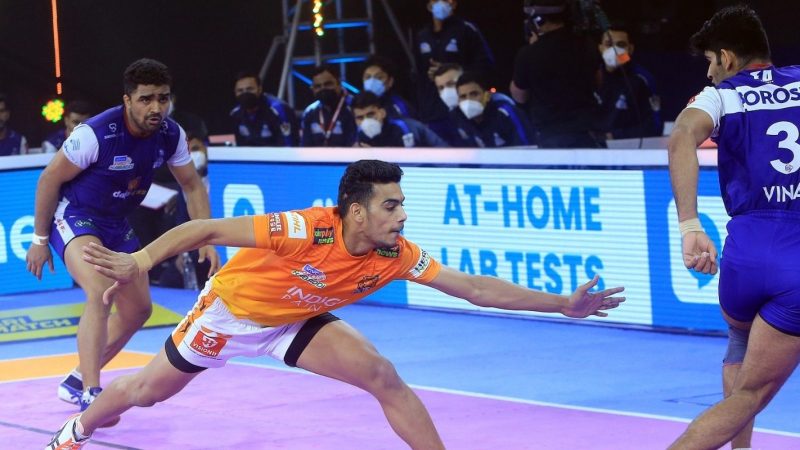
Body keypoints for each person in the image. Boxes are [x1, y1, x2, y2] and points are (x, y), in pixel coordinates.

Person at [45, 159, 626, 449]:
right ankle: (76, 429)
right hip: (229, 315)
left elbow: (473, 288)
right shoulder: (305, 228)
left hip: (294, 319)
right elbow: (204, 229)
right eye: (391, 206)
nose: (402, 215)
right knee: (144, 393)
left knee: (381, 375)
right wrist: (141, 261)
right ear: (356, 211)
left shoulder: (396, 253)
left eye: (402, 204)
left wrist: (560, 304)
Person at [25, 58, 221, 415]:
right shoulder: (96, 133)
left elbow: (192, 185)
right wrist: (39, 240)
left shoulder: (171, 134)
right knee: (100, 291)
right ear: (127, 100)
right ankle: (91, 391)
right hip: (75, 216)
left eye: (163, 98)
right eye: (146, 99)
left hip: (116, 222)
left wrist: (206, 236)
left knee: (138, 310)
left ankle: (75, 380)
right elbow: (49, 179)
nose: (156, 107)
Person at [667, 6, 800, 449]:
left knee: (741, 349)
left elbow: (681, 136)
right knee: (751, 396)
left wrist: (690, 225)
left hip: (746, 254)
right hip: (796, 257)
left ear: (726, 57)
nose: (709, 72)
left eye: (710, 60)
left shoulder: (721, 96)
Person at [510, 0, 604, 148]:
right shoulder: (586, 44)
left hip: (552, 135)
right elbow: (598, 81)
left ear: (538, 20)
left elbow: (519, 96)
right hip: (589, 131)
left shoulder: (528, 54)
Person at [414, 0, 494, 141]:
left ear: (454, 4)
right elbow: (418, 73)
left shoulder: (466, 30)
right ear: (429, 5)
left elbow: (486, 66)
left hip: (464, 107)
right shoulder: (422, 35)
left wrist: (453, 72)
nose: (441, 3)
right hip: (433, 111)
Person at [595, 25, 663, 140]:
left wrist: (614, 136)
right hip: (589, 146)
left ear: (630, 49)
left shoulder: (643, 79)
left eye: (621, 45)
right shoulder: (590, 77)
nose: (614, 50)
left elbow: (654, 126)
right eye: (609, 45)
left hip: (626, 146)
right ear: (601, 48)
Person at [451, 72, 535, 147]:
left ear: (487, 96)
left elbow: (528, 149)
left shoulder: (506, 113)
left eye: (474, 94)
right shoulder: (457, 118)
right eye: (463, 97)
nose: (469, 100)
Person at [352, 92, 447, 148]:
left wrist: (377, 156)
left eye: (370, 115)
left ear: (382, 113)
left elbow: (411, 162)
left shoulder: (406, 128)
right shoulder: (360, 137)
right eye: (360, 118)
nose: (366, 121)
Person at [230, 70, 299, 147]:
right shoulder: (235, 114)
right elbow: (240, 148)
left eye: (249, 89)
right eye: (240, 90)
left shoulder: (279, 110)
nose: (245, 93)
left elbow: (288, 146)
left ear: (260, 89)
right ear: (235, 92)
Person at [300, 65, 357, 147]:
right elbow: (305, 147)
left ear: (339, 84)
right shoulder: (310, 112)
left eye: (328, 84)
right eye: (318, 86)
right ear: (312, 89)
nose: (323, 89)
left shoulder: (355, 107)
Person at [362, 55, 417, 119]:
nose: (372, 81)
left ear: (390, 81)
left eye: (379, 77)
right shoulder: (357, 104)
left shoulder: (399, 106)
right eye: (367, 77)